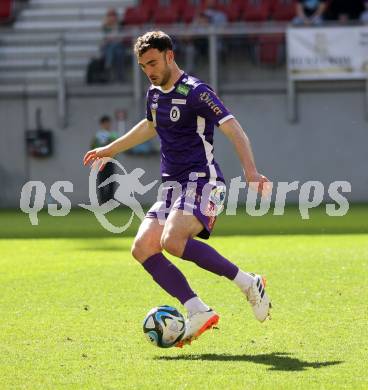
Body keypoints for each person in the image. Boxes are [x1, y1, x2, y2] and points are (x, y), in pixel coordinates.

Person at [83, 31, 272, 348]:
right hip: (172, 188)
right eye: (143, 66)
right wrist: (110, 150)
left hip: (204, 181)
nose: (149, 71)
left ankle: (249, 283)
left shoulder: (197, 91)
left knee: (172, 240)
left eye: (153, 63)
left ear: (170, 55)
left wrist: (250, 172)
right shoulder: (154, 94)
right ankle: (198, 310)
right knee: (143, 247)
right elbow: (150, 125)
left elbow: (234, 128)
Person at [91, 115, 119, 204]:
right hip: (100, 161)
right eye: (105, 123)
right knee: (101, 181)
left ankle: (110, 200)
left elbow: (116, 145)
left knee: (111, 180)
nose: (107, 125)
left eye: (108, 123)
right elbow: (93, 147)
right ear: (102, 124)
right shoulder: (97, 136)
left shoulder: (113, 134)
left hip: (110, 161)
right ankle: (102, 200)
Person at [101, 8, 125, 82]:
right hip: (109, 47)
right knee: (114, 50)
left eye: (113, 15)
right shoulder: (105, 27)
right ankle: (118, 76)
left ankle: (108, 64)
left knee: (117, 51)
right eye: (110, 15)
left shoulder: (120, 25)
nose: (112, 17)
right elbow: (105, 40)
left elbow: (121, 39)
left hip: (119, 46)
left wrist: (113, 39)